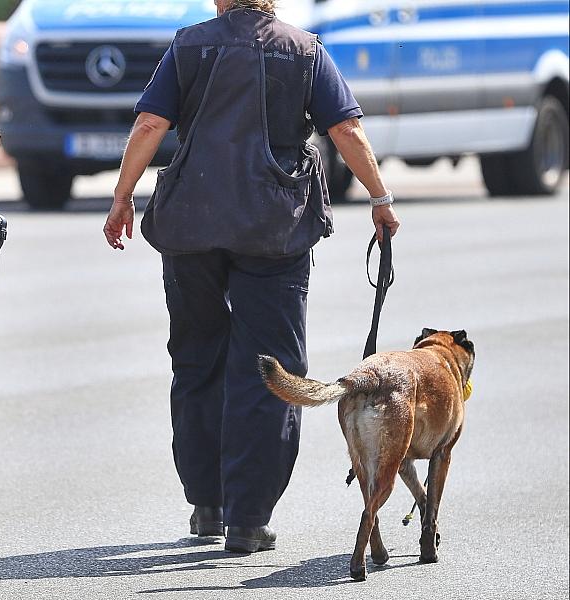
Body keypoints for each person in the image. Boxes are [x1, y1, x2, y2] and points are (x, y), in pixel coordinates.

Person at [103, 0, 400, 553]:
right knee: (271, 369)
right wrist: (380, 198)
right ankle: (247, 517)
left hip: (190, 227)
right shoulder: (302, 49)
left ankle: (207, 503)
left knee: (196, 358)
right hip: (273, 231)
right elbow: (345, 128)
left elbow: (150, 122)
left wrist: (123, 197)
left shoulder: (189, 44)